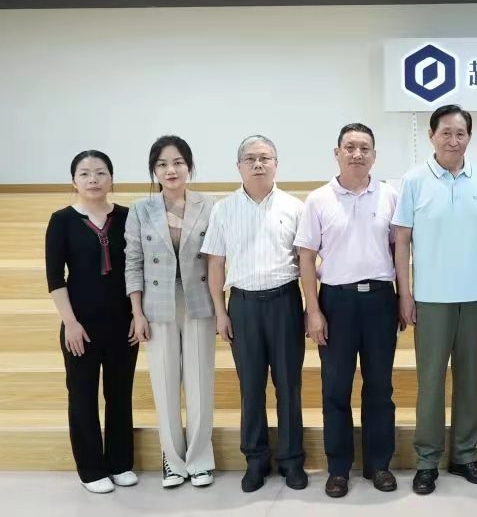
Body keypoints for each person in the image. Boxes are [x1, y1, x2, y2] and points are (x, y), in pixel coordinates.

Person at [392, 104, 477, 495]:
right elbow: (402, 240)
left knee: (469, 379)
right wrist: (405, 293)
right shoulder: (414, 180)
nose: (453, 140)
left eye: (460, 133)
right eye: (446, 133)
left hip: (474, 296)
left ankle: (465, 455)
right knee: (431, 381)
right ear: (431, 136)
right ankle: (427, 461)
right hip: (431, 299)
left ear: (469, 137)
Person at [295, 123, 400, 498]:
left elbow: (399, 249)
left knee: (380, 387)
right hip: (336, 303)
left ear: (374, 155)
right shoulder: (318, 199)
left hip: (380, 301)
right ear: (337, 153)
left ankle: (379, 464)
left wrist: (405, 297)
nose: (357, 154)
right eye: (350, 147)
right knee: (335, 388)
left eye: (364, 148)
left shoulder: (389, 195)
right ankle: (338, 468)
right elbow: (306, 257)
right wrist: (313, 310)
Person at [201, 135, 308, 493]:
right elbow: (215, 264)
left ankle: (292, 460)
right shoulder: (223, 209)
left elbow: (306, 262)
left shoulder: (295, 207)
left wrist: (312, 307)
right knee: (251, 387)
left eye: (265, 158)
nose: (258, 164)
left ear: (276, 164)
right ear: (239, 167)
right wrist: (220, 312)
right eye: (250, 159)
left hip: (285, 302)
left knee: (289, 385)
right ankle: (256, 461)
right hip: (243, 306)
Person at [125, 135, 217, 489]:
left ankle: (200, 459)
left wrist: (222, 308)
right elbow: (133, 263)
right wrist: (137, 312)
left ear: (189, 166)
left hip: (199, 302)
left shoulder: (210, 205)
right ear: (154, 171)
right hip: (157, 304)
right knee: (164, 384)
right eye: (162, 164)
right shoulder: (140, 210)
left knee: (199, 382)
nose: (171, 170)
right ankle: (172, 461)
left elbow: (217, 259)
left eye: (178, 162)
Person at [45, 150, 139, 494]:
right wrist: (70, 322)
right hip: (80, 325)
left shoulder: (128, 217)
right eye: (84, 174)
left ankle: (120, 463)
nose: (93, 179)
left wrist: (137, 313)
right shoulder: (62, 220)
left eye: (100, 172)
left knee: (119, 394)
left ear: (111, 178)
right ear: (74, 181)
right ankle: (91, 470)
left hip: (123, 322)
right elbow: (55, 277)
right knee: (83, 396)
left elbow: (138, 268)